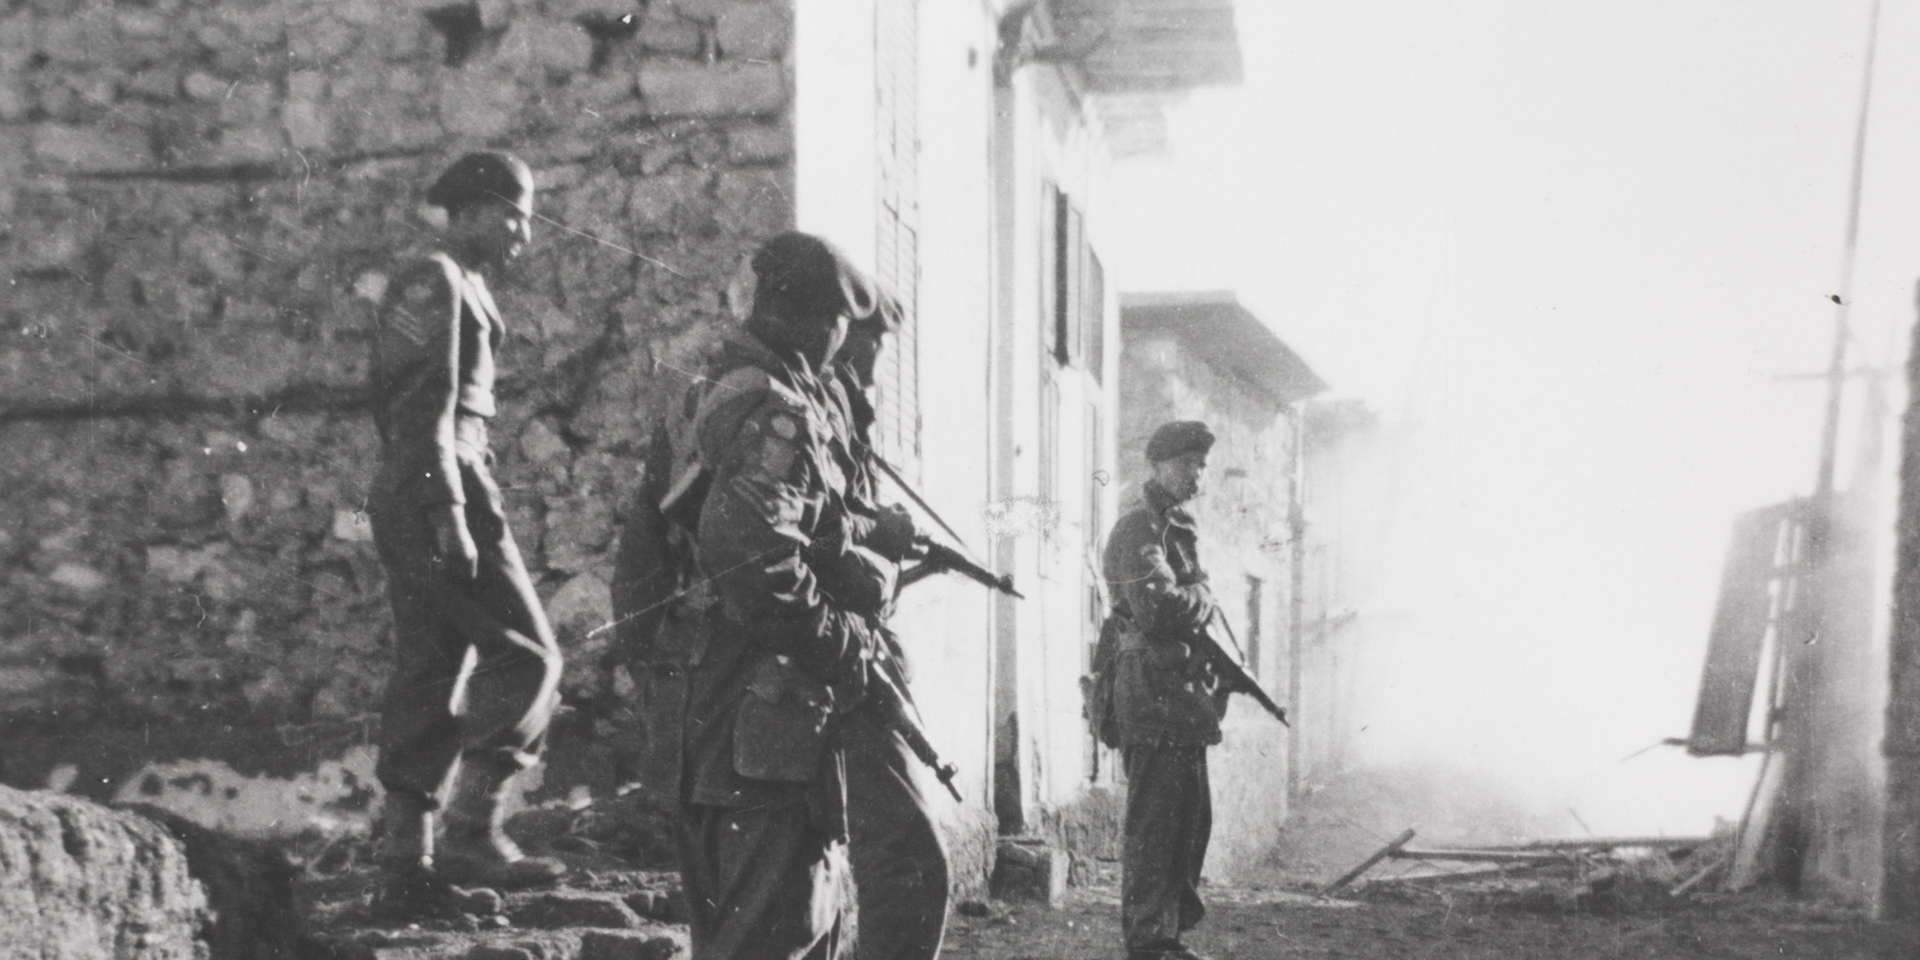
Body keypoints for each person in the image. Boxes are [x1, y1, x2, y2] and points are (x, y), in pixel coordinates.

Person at [636, 231, 891, 960]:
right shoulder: (774, 411)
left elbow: (641, 562)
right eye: (842, 324)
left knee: (738, 938)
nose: (845, 342)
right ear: (810, 319)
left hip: (708, 718)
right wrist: (844, 643)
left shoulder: (703, 396)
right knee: (779, 933)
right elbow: (754, 558)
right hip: (760, 727)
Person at [366, 151, 567, 918]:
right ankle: (469, 833)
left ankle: (404, 862)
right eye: (514, 214)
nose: (523, 231)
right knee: (529, 655)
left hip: (438, 481)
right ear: (476, 209)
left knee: (431, 665)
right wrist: (448, 510)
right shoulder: (436, 278)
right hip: (439, 482)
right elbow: (420, 402)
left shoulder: (465, 283)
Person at [826, 292, 952, 960]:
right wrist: (882, 549)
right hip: (834, 663)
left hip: (850, 654)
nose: (875, 363)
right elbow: (815, 543)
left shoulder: (840, 414)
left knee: (901, 860)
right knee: (907, 858)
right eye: (869, 344)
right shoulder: (810, 413)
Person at [1100, 421, 1230, 960]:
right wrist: (1202, 591)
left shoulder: (1175, 526)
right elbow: (1159, 607)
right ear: (1157, 466)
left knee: (1188, 817)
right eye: (1186, 464)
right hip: (1148, 694)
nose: (1196, 474)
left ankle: (1166, 937)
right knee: (1155, 822)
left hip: (1177, 697)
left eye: (1201, 465)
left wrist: (1194, 594)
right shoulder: (1137, 528)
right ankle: (1149, 941)